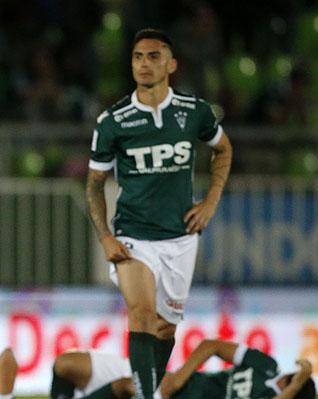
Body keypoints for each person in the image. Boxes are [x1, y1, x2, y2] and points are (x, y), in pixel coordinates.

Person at [85, 28, 232, 399]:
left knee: (166, 329)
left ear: (171, 64)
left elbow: (224, 150)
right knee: (143, 315)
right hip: (133, 235)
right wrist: (105, 236)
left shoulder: (193, 112)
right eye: (138, 57)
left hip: (181, 237)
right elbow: (93, 184)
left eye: (153, 56)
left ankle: (144, 389)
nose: (144, 63)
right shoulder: (113, 121)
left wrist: (211, 200)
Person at [50, 339, 315, 399]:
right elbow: (212, 345)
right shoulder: (267, 366)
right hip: (169, 380)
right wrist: (179, 377)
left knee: (126, 387)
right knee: (65, 365)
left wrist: (299, 380)